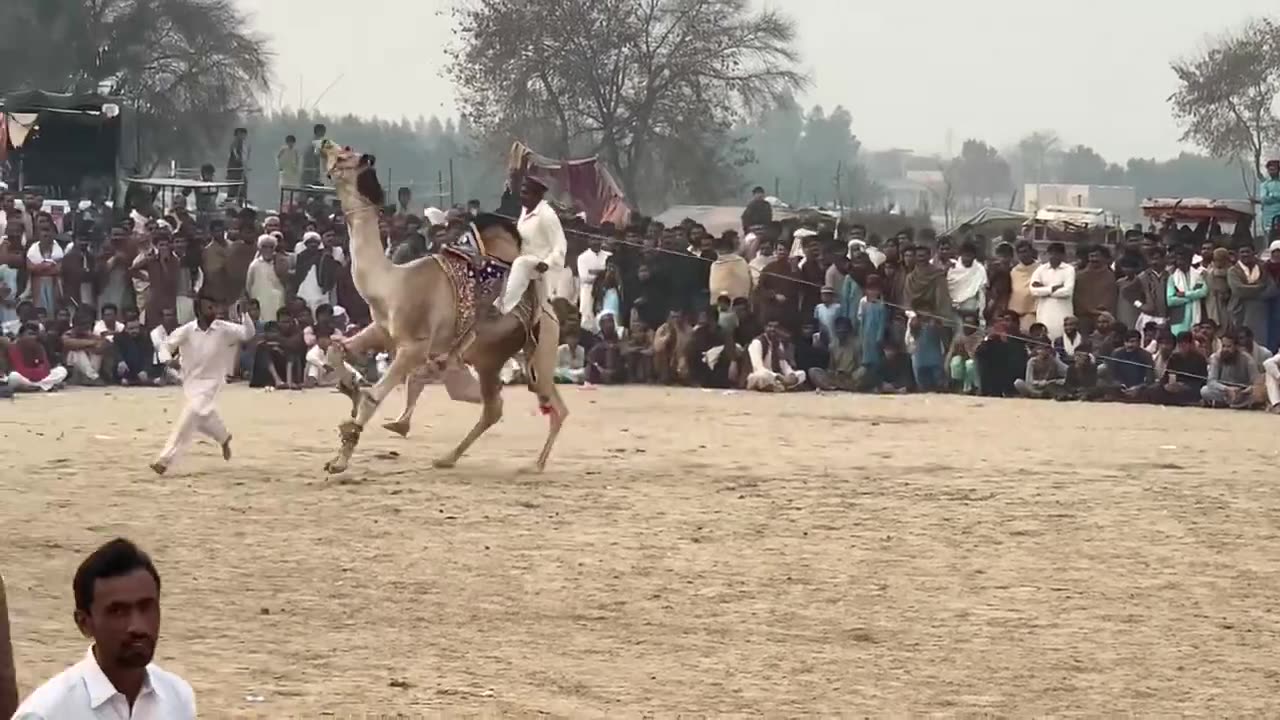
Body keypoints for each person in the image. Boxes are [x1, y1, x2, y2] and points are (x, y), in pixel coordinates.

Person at [12, 538, 196, 719]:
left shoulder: (177, 697)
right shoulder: (46, 713)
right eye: (117, 611)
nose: (137, 626)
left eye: (146, 607)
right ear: (84, 623)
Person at [149, 294, 255, 474]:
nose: (214, 311)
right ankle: (223, 436)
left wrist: (244, 314)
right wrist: (169, 361)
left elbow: (248, 333)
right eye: (209, 308)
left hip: (213, 383)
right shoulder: (187, 330)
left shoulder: (223, 328)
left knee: (189, 416)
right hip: (190, 382)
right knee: (201, 415)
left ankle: (164, 459)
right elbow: (165, 346)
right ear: (198, 311)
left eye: (214, 307)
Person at [498, 176, 566, 316]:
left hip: (538, 263)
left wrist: (547, 263)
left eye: (526, 193)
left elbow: (560, 245)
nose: (522, 196)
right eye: (522, 192)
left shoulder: (547, 216)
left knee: (521, 263)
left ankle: (503, 308)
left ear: (537, 195)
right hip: (521, 256)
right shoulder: (525, 210)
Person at [1028, 242, 1075, 340]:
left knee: (1062, 341)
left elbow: (1067, 292)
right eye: (1051, 253)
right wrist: (1052, 288)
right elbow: (1033, 291)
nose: (1053, 256)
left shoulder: (1069, 270)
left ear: (1063, 255)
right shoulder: (1041, 270)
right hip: (1044, 312)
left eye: (1057, 253)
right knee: (1044, 339)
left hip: (1062, 312)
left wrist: (1044, 289)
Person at [4, 321, 68, 391]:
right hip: (24, 378)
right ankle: (45, 386)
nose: (33, 337)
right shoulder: (14, 347)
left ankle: (37, 387)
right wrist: (36, 376)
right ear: (20, 335)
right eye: (30, 334)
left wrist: (38, 377)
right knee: (14, 376)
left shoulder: (38, 346)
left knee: (62, 370)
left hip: (38, 379)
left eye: (35, 334)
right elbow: (19, 369)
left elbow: (44, 368)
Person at [1201, 332, 1259, 409]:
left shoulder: (1248, 360)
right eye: (1223, 346)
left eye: (1229, 346)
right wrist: (1227, 389)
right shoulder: (1216, 357)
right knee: (1204, 390)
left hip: (1242, 392)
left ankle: (1225, 403)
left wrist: (1246, 390)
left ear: (1236, 347)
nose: (1225, 349)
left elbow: (1256, 382)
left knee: (1257, 394)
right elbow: (1211, 381)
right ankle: (1233, 403)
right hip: (1224, 392)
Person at [746, 320, 806, 392]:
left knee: (801, 374)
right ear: (765, 328)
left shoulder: (778, 343)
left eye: (776, 327)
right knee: (762, 375)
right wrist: (777, 377)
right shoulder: (757, 342)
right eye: (770, 326)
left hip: (777, 378)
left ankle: (779, 386)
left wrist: (790, 374)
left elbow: (784, 364)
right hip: (760, 376)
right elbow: (758, 367)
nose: (773, 329)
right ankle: (781, 386)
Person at [1227, 244, 1270, 341]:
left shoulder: (1263, 267)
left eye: (1247, 251)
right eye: (1242, 252)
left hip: (1260, 310)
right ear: (1238, 254)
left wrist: (1250, 288)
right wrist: (1259, 287)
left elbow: (1268, 286)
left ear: (1254, 253)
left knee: (1260, 340)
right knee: (1241, 340)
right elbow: (1238, 290)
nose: (1245, 254)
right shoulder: (1232, 271)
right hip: (1239, 310)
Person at [1072, 245, 1117, 335]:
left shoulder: (1111, 276)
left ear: (1104, 258)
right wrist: (1091, 310)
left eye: (1097, 256)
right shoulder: (1079, 276)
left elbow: (1111, 298)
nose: (1094, 259)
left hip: (1104, 318)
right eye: (1091, 256)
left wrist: (1102, 312)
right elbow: (1077, 298)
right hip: (1084, 317)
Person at [809, 316, 862, 391]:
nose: (841, 333)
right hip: (837, 378)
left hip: (850, 377)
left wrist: (850, 374)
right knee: (813, 371)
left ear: (849, 331)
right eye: (839, 330)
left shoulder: (857, 345)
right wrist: (834, 372)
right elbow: (831, 367)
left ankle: (839, 387)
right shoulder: (832, 346)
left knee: (863, 372)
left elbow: (860, 366)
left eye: (844, 331)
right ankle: (835, 387)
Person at [576, 231, 612, 333]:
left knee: (605, 316)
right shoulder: (582, 257)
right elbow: (584, 277)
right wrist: (602, 273)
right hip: (588, 291)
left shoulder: (608, 255)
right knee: (587, 318)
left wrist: (594, 272)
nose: (596, 242)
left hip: (605, 290)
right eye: (593, 239)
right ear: (589, 241)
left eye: (598, 239)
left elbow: (611, 274)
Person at [1167, 246, 1207, 336]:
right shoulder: (1172, 277)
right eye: (1178, 260)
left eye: (1182, 259)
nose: (1180, 262)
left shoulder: (1198, 275)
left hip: (1196, 315)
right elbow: (1170, 300)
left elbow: (1203, 292)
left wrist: (1185, 294)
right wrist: (1190, 298)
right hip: (1179, 318)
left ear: (1189, 260)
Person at [945, 312, 982, 393]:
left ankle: (973, 388)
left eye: (970, 323)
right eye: (966, 323)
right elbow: (951, 351)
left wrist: (967, 348)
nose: (967, 325)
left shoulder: (979, 337)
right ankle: (957, 386)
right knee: (955, 361)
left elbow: (976, 357)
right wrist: (946, 366)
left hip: (976, 363)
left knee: (970, 364)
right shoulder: (959, 335)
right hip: (962, 360)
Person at [1261, 159, 1280, 238]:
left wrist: (1272, 195)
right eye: (1270, 170)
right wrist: (1277, 197)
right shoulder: (1265, 184)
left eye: (1273, 170)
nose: (1271, 172)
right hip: (1269, 217)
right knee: (1270, 239)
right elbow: (1264, 199)